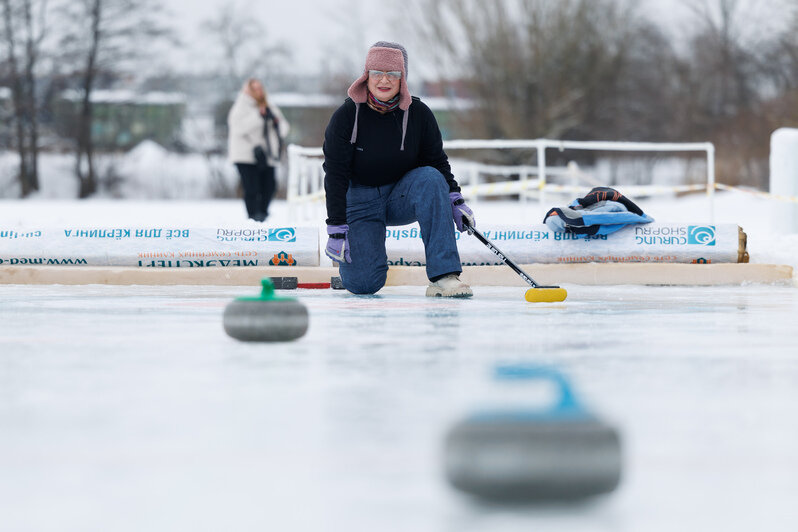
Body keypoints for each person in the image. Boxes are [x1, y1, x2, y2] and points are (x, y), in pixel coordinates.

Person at [323, 41, 476, 297]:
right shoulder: (347, 116)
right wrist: (337, 227)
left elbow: (437, 160)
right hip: (360, 201)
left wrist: (455, 198)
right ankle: (356, 259)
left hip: (399, 196)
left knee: (430, 178)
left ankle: (444, 276)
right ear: (366, 76)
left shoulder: (419, 114)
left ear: (402, 78)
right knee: (363, 284)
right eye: (377, 73)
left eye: (392, 74)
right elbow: (335, 174)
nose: (384, 80)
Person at [227, 78, 289, 222]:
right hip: (245, 156)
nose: (258, 91)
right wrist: (259, 116)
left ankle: (262, 214)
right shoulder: (240, 106)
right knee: (252, 188)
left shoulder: (269, 106)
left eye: (260, 87)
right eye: (254, 88)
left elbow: (284, 128)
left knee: (270, 187)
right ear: (247, 90)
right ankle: (253, 217)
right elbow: (238, 128)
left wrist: (274, 121)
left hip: (267, 156)